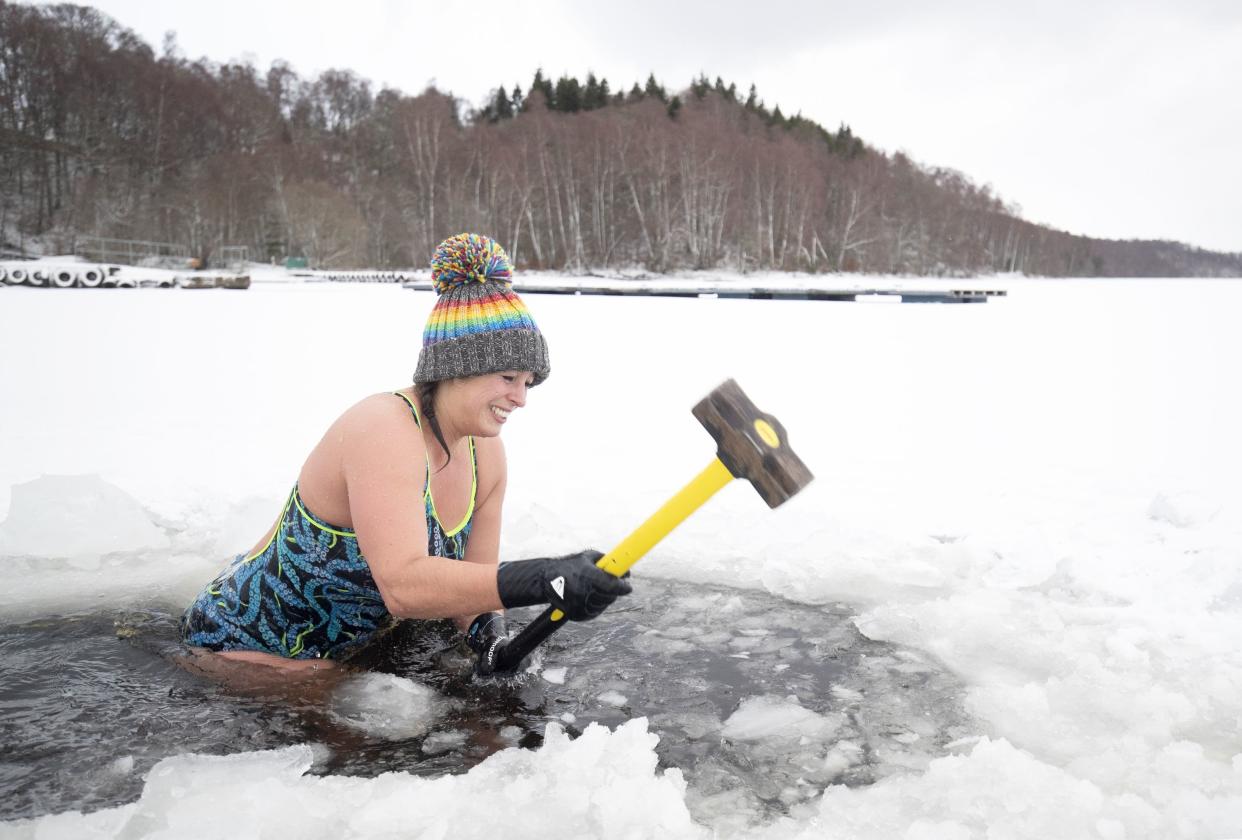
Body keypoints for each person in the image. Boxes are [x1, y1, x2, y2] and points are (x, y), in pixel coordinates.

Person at [181, 233, 631, 674]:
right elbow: (403, 587)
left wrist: (491, 637)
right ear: (456, 368)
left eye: (528, 383)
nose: (521, 398)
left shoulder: (486, 456)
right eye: (509, 377)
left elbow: (474, 589)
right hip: (242, 646)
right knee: (358, 728)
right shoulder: (384, 429)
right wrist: (542, 578)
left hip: (342, 652)